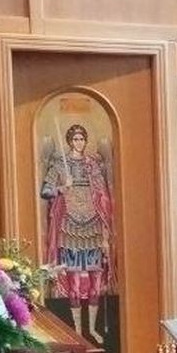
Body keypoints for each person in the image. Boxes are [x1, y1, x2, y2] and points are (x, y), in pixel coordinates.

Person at [41, 123, 116, 340]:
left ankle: (92, 328)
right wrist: (62, 188)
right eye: (75, 139)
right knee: (73, 281)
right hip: (70, 227)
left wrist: (105, 231)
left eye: (82, 139)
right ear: (69, 141)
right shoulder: (59, 165)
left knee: (95, 281)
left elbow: (103, 195)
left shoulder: (92, 165)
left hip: (93, 226)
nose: (79, 143)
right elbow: (45, 191)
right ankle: (78, 330)